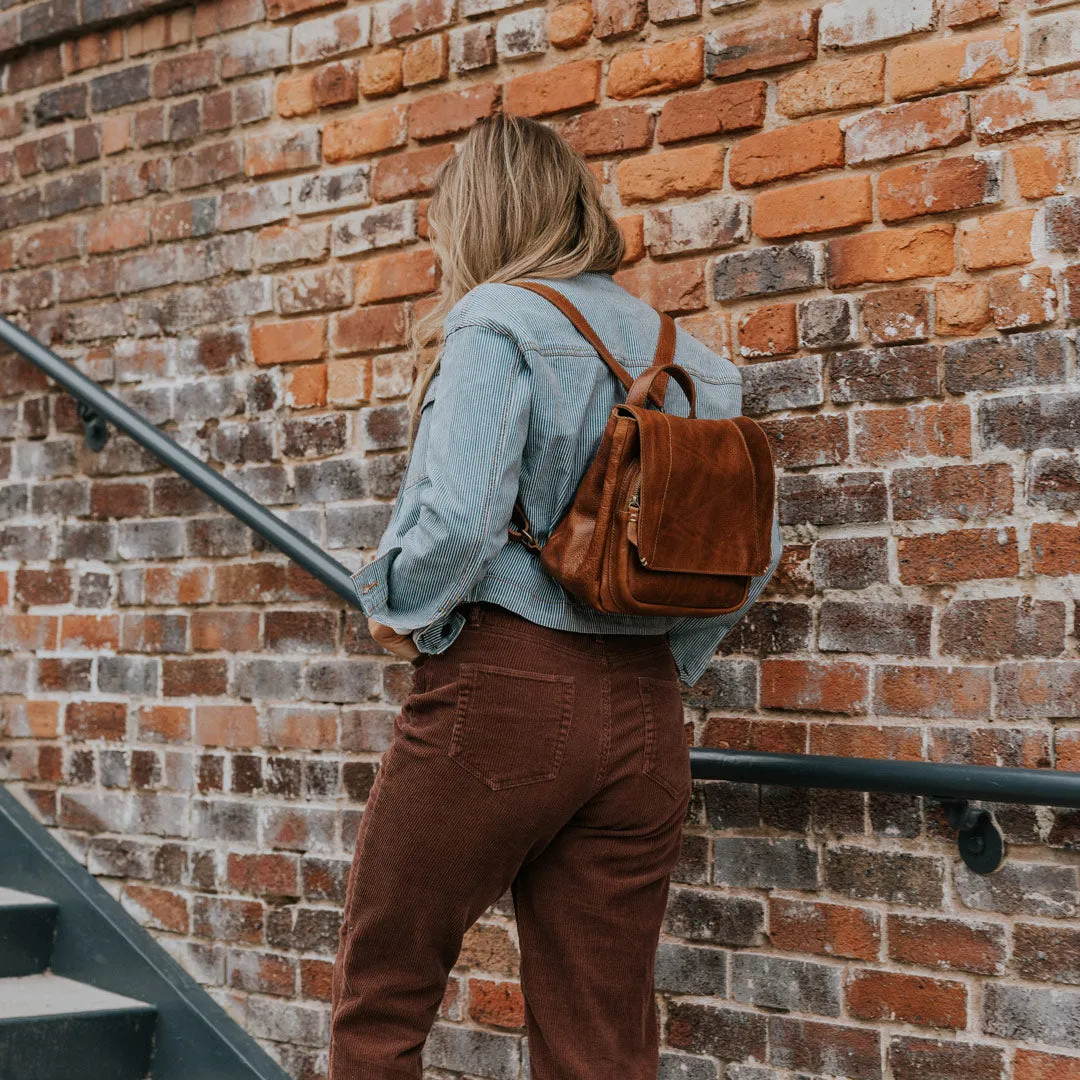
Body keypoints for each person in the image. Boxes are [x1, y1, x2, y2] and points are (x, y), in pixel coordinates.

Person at [329, 113, 782, 1080]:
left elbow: (458, 520)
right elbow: (750, 557)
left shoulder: (497, 319)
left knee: (384, 997)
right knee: (601, 1040)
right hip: (648, 724)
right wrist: (668, 661)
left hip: (503, 695)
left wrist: (397, 607)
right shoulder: (700, 365)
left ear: (480, 218)